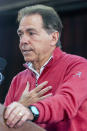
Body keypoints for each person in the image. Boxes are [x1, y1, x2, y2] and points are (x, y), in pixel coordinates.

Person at [4, 4, 87, 131]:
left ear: (53, 37)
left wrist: (32, 111)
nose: (23, 41)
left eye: (31, 33)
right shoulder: (18, 79)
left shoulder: (78, 65)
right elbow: (4, 124)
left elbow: (66, 101)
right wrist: (21, 104)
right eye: (21, 34)